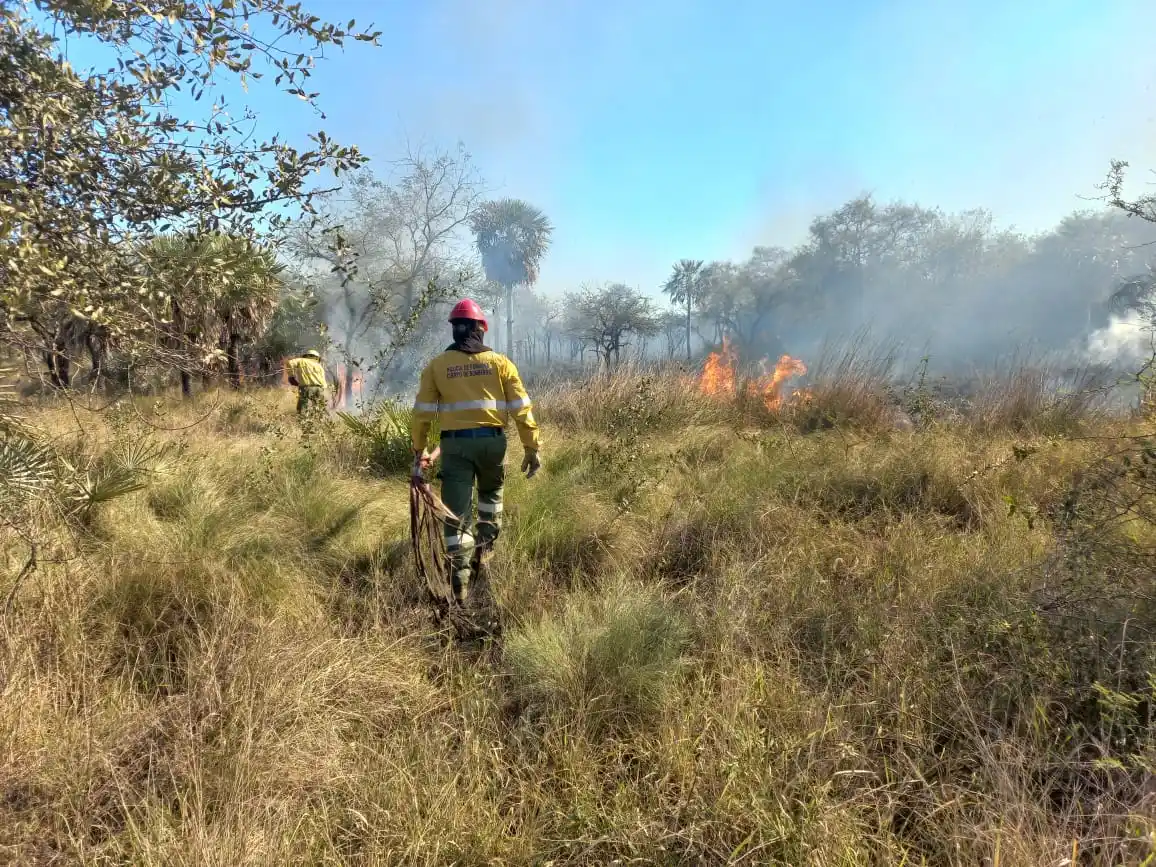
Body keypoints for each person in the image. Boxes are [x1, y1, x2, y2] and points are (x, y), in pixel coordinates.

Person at [411, 298, 541, 605]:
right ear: (481, 330)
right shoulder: (500, 363)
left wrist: (419, 451)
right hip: (493, 443)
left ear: (455, 331)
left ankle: (459, 586)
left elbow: (423, 414)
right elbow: (522, 409)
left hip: (454, 447)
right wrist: (531, 447)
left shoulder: (437, 366)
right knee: (491, 499)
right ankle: (486, 551)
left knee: (456, 516)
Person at [286, 349, 328, 416]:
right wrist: (323, 390)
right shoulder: (319, 366)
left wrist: (291, 376)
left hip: (306, 388)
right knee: (319, 408)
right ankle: (319, 422)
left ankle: (302, 423)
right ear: (317, 357)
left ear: (306, 356)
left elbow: (290, 363)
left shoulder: (302, 360)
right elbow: (323, 381)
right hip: (320, 389)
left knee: (303, 408)